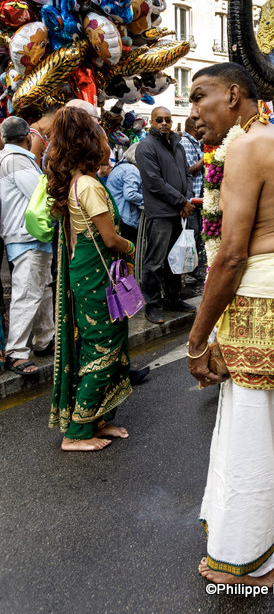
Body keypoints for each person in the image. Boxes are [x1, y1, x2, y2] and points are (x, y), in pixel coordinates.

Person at [187, 63, 274, 588]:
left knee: (252, 432)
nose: (193, 111)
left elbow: (231, 256)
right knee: (249, 422)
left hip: (266, 297)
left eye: (201, 97)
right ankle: (236, 538)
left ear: (235, 94)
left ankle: (251, 561)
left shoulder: (244, 148)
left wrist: (198, 340)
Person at [47, 107, 134, 451]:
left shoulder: (78, 182)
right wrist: (130, 247)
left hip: (87, 275)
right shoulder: (90, 186)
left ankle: (97, 419)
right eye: (99, 131)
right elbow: (111, 240)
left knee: (101, 341)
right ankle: (77, 433)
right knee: (103, 345)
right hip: (96, 279)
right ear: (88, 141)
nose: (105, 137)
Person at [0, 116, 54, 375]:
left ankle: (44, 340)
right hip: (26, 237)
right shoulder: (17, 160)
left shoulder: (14, 159)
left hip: (29, 237)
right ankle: (17, 352)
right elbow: (40, 195)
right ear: (28, 137)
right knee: (28, 294)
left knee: (42, 290)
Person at [136, 107, 196, 323]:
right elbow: (153, 182)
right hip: (161, 213)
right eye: (159, 120)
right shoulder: (145, 147)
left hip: (180, 211)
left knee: (175, 260)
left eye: (167, 120)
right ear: (151, 121)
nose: (164, 123)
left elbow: (188, 175)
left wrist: (186, 200)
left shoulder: (177, 145)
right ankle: (152, 305)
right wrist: (182, 201)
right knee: (154, 262)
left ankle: (172, 299)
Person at [180, 117, 206, 278]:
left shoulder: (195, 144)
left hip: (197, 198)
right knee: (191, 233)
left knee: (196, 234)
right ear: (195, 128)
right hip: (190, 198)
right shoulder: (185, 143)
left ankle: (193, 269)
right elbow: (188, 170)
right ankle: (188, 271)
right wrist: (206, 159)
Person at [106, 143, 143, 244]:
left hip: (118, 216)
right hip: (126, 220)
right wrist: (147, 200)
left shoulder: (121, 166)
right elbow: (130, 194)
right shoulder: (132, 170)